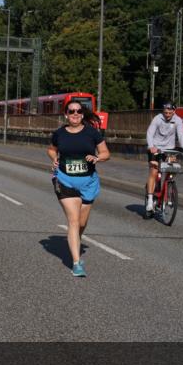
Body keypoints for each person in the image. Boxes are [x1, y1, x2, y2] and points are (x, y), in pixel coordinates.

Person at [47, 100, 111, 277]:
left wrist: (98, 158)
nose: (75, 114)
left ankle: (75, 239)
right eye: (71, 111)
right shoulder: (59, 133)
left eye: (78, 111)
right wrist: (54, 158)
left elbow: (106, 153)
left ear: (82, 114)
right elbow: (51, 149)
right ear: (66, 114)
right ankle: (76, 262)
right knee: (73, 221)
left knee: (82, 223)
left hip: (88, 182)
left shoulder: (92, 133)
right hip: (65, 180)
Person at [145, 102, 183, 216]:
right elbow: (149, 133)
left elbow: (181, 135)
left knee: (172, 169)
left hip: (169, 149)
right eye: (165, 112)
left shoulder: (177, 120)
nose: (167, 115)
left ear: (174, 111)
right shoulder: (157, 119)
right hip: (156, 148)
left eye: (170, 112)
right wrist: (151, 146)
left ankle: (167, 188)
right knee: (154, 171)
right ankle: (150, 200)